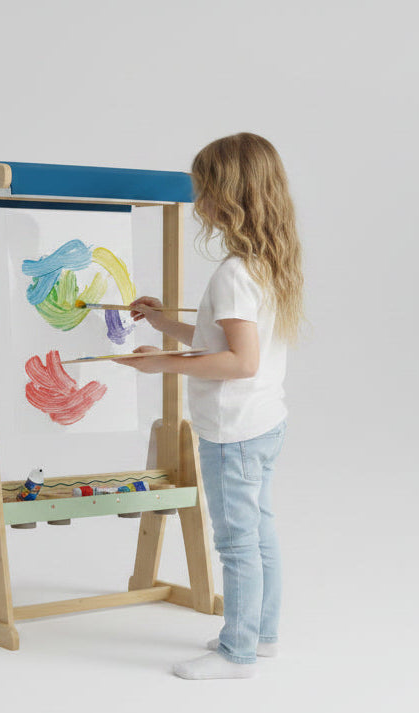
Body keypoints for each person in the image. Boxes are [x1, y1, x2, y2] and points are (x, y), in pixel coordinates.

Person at [113, 133, 304, 680]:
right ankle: (261, 636)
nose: (197, 201)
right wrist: (163, 324)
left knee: (238, 542)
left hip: (233, 432)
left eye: (203, 189)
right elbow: (219, 341)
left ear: (227, 197)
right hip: (263, 422)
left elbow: (240, 362)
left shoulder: (234, 275)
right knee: (259, 533)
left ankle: (236, 654)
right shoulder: (266, 264)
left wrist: (163, 364)